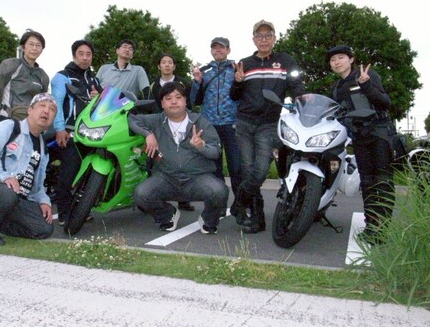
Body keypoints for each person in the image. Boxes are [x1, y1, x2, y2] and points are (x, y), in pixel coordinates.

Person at [230, 19, 305, 234]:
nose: (263, 39)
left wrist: (304, 100)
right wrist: (237, 82)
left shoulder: (285, 60)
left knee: (261, 170)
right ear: (254, 39)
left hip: (268, 123)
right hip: (244, 123)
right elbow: (233, 95)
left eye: (268, 35)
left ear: (274, 38)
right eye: (259, 36)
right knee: (247, 170)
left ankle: (238, 203)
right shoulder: (244, 63)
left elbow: (296, 85)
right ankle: (257, 219)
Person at [129, 82, 229, 234]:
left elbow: (215, 152)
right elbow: (130, 119)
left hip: (197, 178)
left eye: (178, 97)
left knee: (219, 191)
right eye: (168, 98)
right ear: (162, 103)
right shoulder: (155, 121)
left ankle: (208, 220)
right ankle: (168, 215)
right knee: (141, 194)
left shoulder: (201, 122)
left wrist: (201, 146)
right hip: (165, 178)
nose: (174, 102)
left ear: (185, 101)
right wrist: (147, 134)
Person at [0, 93, 57, 246]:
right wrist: (4, 176)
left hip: (14, 198)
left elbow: (37, 186)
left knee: (44, 228)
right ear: (30, 110)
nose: (46, 111)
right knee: (6, 193)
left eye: (52, 109)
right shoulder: (8, 127)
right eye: (42, 106)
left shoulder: (43, 150)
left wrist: (44, 201)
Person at [327, 45, 394, 245]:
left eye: (341, 57)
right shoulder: (336, 88)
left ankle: (382, 229)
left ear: (351, 59)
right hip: (359, 137)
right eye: (333, 60)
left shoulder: (366, 75)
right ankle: (371, 225)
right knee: (367, 184)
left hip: (379, 133)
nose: (337, 62)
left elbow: (385, 102)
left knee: (382, 182)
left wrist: (366, 85)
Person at [50, 39, 102, 224]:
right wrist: (59, 129)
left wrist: (98, 97)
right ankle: (64, 214)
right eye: (81, 54)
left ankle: (81, 210)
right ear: (74, 55)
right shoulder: (62, 77)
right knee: (68, 174)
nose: (85, 58)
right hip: (70, 131)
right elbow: (55, 103)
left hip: (92, 134)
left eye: (88, 54)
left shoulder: (94, 80)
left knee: (88, 175)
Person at [190, 37, 242, 217]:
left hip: (232, 124)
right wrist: (197, 82)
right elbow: (194, 100)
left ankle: (240, 205)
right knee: (214, 169)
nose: (218, 50)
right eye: (215, 48)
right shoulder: (204, 71)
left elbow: (244, 94)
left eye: (222, 48)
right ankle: (218, 205)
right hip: (210, 125)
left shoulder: (236, 68)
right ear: (211, 50)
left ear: (228, 50)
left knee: (236, 168)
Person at [150, 53, 194, 212]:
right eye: (164, 62)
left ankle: (183, 199)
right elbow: (150, 105)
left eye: (170, 62)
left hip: (180, 124)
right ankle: (159, 197)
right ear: (159, 66)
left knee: (181, 160)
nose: (167, 65)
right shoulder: (153, 84)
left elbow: (190, 102)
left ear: (174, 66)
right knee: (159, 160)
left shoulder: (184, 82)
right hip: (160, 126)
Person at [0, 29, 50, 122]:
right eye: (31, 44)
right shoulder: (10, 65)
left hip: (31, 123)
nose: (34, 48)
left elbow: (42, 102)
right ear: (23, 47)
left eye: (38, 45)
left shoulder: (43, 76)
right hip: (8, 119)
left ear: (41, 50)